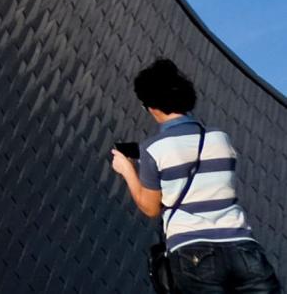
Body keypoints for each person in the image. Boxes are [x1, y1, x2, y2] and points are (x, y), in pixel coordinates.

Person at [108, 57, 278, 292]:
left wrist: (128, 170)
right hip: (243, 249)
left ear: (151, 107)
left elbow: (150, 207)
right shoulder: (220, 138)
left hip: (192, 252)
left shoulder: (153, 149)